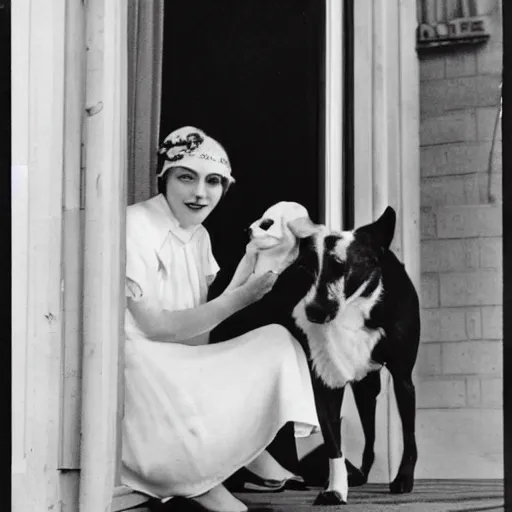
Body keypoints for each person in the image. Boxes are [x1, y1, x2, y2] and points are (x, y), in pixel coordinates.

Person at [121, 126, 319, 512]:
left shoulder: (199, 237)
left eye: (213, 182)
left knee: (278, 340)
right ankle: (199, 482)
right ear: (165, 178)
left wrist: (249, 266)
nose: (199, 193)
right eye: (186, 177)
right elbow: (156, 328)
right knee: (156, 368)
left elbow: (198, 338)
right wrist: (241, 298)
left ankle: (252, 457)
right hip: (136, 368)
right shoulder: (134, 224)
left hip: (176, 362)